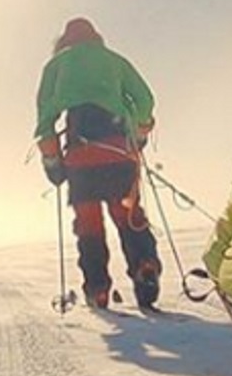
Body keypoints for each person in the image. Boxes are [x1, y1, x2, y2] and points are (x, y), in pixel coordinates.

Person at [34, 16, 162, 310]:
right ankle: (145, 264)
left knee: (88, 224)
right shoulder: (115, 61)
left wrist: (52, 158)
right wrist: (140, 132)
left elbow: (45, 118)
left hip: (81, 157)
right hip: (118, 152)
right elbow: (144, 100)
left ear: (64, 42)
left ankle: (98, 289)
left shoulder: (57, 66)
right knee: (129, 215)